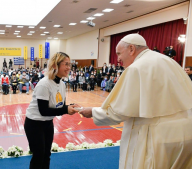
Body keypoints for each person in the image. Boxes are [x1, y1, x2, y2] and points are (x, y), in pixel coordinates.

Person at [79, 34, 192, 169]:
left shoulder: (136, 68)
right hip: (186, 134)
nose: (118, 59)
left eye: (119, 53)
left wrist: (92, 111)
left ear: (131, 49)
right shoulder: (169, 61)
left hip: (156, 136)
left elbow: (118, 112)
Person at [24, 52, 79, 169]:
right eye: (66, 64)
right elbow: (43, 111)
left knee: (47, 155)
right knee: (38, 156)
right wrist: (66, 109)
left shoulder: (62, 85)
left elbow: (60, 106)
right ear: (55, 65)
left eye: (70, 64)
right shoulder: (44, 84)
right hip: (34, 124)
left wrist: (71, 107)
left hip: (48, 123)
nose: (69, 68)